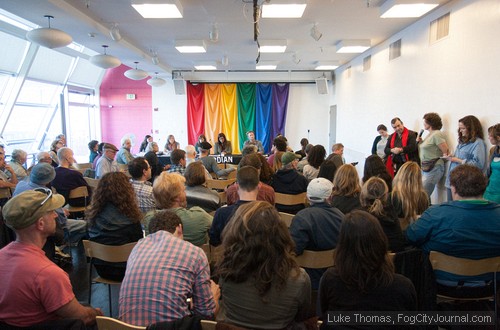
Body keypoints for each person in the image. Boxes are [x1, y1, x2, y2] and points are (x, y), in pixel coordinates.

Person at [0, 190, 103, 328]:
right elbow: (82, 317)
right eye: (50, 212)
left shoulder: (3, 255)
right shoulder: (48, 273)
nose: (55, 214)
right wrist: (96, 314)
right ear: (40, 224)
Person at [215, 201, 313, 328]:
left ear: (236, 234)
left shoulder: (225, 272)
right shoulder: (299, 279)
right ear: (281, 234)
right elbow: (303, 317)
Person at [119, 210, 219, 326]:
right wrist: (214, 296)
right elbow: (206, 315)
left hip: (125, 326)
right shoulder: (195, 253)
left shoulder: (137, 248)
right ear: (180, 228)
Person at [319, 210, 417, 327]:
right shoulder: (403, 286)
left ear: (342, 245)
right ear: (381, 241)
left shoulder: (330, 279)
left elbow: (323, 314)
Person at [406, 164, 500, 284]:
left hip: (440, 285)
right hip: (490, 286)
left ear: (453, 189)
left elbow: (410, 237)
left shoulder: (436, 214)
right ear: (484, 187)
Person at [86, 172, 144, 281]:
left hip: (101, 268)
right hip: (128, 270)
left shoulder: (92, 217)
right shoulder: (131, 220)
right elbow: (138, 246)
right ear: (127, 191)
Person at [290, 178, 343, 289]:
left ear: (308, 198)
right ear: (330, 197)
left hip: (306, 281)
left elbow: (293, 250)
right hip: (336, 280)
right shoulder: (342, 218)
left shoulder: (301, 218)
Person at [147, 172, 213, 245]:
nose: (185, 194)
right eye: (183, 190)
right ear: (177, 198)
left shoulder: (148, 219)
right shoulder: (200, 216)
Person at [209, 166, 259, 246]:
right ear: (258, 186)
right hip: (260, 257)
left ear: (236, 186)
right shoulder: (269, 214)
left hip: (231, 256)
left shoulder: (221, 213)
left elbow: (214, 241)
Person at [444, 115, 487, 201]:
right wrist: (452, 157)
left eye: (463, 128)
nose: (460, 131)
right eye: (459, 128)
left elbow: (478, 165)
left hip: (463, 183)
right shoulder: (462, 141)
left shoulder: (478, 143)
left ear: (471, 128)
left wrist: (458, 160)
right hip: (452, 180)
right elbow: (457, 158)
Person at [360, 177, 405, 252]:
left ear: (364, 194)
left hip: (371, 261)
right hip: (395, 261)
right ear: (385, 195)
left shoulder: (360, 217)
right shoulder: (392, 214)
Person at [418, 112, 450, 197]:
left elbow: (445, 150)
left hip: (434, 167)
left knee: (423, 194)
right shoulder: (429, 134)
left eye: (425, 121)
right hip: (426, 167)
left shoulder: (437, 134)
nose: (423, 123)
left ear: (430, 123)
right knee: (423, 193)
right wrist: (421, 142)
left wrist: (440, 160)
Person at [391, 161, 429, 229]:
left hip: (397, 234)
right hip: (416, 233)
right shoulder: (423, 197)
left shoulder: (392, 196)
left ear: (400, 175)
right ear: (418, 178)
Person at [484, 123, 500, 203]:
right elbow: (489, 171)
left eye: (490, 136)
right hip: (489, 189)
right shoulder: (493, 150)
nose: (488, 138)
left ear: (498, 137)